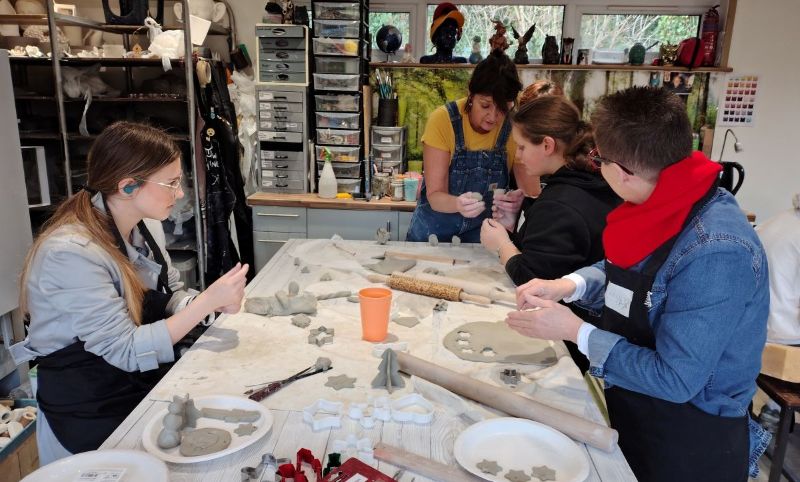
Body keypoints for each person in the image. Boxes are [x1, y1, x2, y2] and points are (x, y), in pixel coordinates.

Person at [507, 87, 770, 482]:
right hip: (634, 410)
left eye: (599, 159)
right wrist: (569, 285)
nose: (596, 166)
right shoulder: (661, 200)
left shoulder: (717, 251)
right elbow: (625, 268)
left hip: (687, 443)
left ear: (623, 172)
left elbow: (676, 379)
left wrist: (574, 330)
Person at [10, 122, 249, 464]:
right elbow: (124, 349)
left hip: (133, 386)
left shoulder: (144, 228)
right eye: (171, 183)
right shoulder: (70, 252)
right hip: (87, 405)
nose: (179, 194)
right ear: (127, 186)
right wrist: (205, 303)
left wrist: (206, 304)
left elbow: (166, 294)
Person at [480, 94, 620, 372]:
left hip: (575, 345)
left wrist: (501, 244)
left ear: (547, 144)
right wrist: (521, 216)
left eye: (520, 147)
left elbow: (534, 281)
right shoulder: (592, 178)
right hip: (600, 322)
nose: (517, 156)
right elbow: (554, 253)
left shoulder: (561, 202)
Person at [406, 49, 523, 242]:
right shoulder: (443, 120)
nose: (493, 117)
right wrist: (458, 204)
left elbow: (530, 191)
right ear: (471, 92)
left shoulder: (514, 128)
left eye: (503, 109)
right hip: (433, 234)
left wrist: (518, 201)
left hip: (482, 236)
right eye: (485, 105)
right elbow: (435, 195)